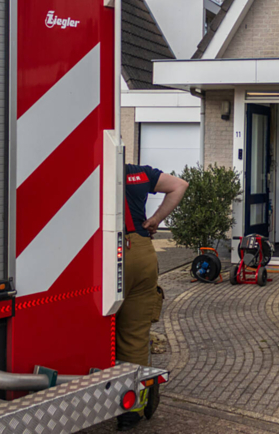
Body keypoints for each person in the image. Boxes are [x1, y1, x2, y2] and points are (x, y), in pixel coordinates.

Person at [116, 163, 188, 430]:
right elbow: (180, 185)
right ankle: (131, 410)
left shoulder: (89, 171)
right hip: (139, 249)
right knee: (134, 334)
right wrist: (155, 220)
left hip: (100, 253)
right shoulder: (140, 173)